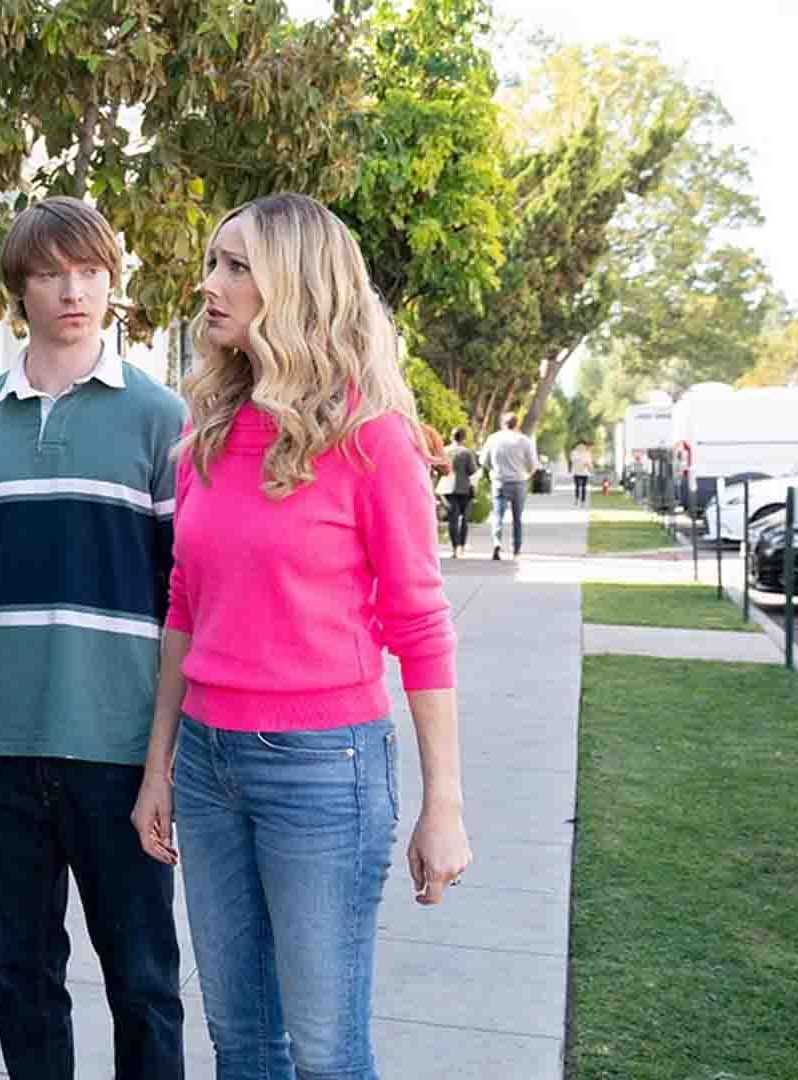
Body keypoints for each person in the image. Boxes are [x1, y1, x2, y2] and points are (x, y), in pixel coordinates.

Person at [130, 192, 471, 1080]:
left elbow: (421, 628)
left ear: (297, 286)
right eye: (214, 262)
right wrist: (159, 767)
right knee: (241, 1042)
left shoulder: (372, 437)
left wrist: (443, 805)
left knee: (325, 1052)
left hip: (322, 771)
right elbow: (184, 606)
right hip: (207, 765)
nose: (209, 284)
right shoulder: (207, 431)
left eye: (236, 267)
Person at [0, 196, 189, 1079]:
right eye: (50, 274)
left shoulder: (162, 418)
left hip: (120, 748)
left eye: (91, 272)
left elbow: (185, 602)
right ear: (17, 291)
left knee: (144, 983)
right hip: (4, 747)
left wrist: (170, 752)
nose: (74, 292)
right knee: (22, 980)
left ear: (112, 283)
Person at [478, 411, 538, 560]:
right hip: (519, 482)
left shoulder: (493, 439)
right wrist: (527, 475)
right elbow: (533, 465)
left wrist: (493, 469)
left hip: (499, 481)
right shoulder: (524, 440)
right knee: (517, 518)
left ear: (503, 423)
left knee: (498, 515)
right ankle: (516, 550)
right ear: (517, 424)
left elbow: (483, 461)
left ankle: (496, 543)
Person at [443, 426, 478, 557]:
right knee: (464, 519)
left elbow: (439, 468)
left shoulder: (444, 451)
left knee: (452, 519)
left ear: (452, 437)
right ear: (463, 438)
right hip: (464, 489)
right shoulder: (466, 453)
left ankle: (454, 548)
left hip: (448, 489)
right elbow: (472, 471)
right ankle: (461, 547)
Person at [570, 441, 594, 505]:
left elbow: (589, 462)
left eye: (583, 446)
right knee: (577, 486)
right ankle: (576, 499)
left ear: (585, 446)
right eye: (579, 446)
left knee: (584, 487)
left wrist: (590, 468)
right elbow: (573, 460)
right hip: (576, 472)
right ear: (577, 446)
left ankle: (583, 501)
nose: (581, 447)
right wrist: (582, 461)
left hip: (585, 472)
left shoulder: (587, 453)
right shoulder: (574, 453)